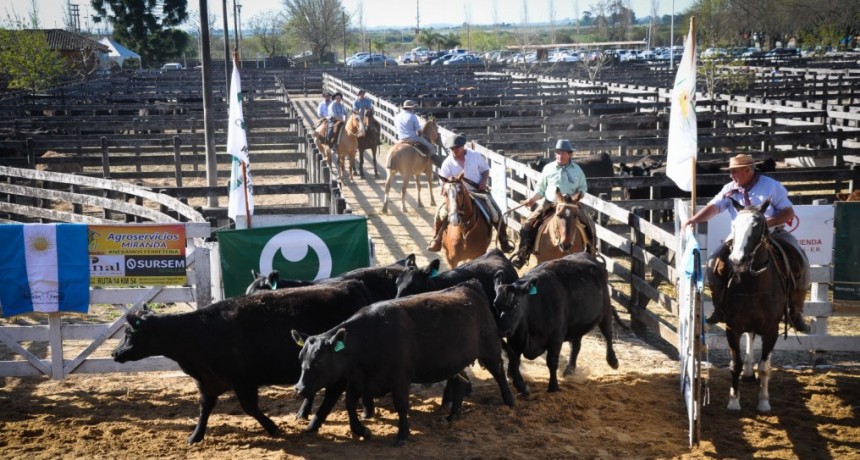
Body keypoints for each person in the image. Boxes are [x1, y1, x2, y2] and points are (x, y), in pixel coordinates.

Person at [682, 153, 809, 332]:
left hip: (772, 233)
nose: (731, 176)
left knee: (800, 260)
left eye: (734, 172)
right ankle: (720, 308)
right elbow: (714, 207)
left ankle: (795, 311)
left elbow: (788, 213)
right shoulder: (730, 188)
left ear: (748, 170)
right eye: (731, 172)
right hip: (740, 236)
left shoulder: (772, 186)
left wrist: (763, 223)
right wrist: (694, 220)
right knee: (713, 262)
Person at [510, 139, 596, 269]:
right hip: (550, 203)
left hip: (571, 205)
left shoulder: (577, 170)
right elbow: (540, 189)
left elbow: (583, 188)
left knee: (589, 224)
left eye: (563, 153)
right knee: (528, 223)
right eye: (558, 153)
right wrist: (532, 199)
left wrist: (577, 197)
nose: (560, 156)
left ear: (570, 154)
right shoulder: (548, 168)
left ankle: (591, 253)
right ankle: (523, 254)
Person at [427, 135, 514, 253]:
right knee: (440, 213)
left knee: (496, 212)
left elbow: (485, 170)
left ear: (463, 147)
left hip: (477, 192)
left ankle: (503, 240)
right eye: (452, 149)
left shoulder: (475, 156)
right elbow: (443, 184)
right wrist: (448, 187)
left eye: (456, 148)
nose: (454, 151)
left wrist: (483, 182)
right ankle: (436, 239)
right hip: (456, 195)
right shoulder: (447, 163)